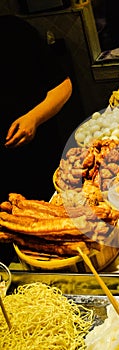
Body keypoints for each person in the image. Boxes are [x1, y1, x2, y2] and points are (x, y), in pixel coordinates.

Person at [0, 14, 72, 265]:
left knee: (59, 241)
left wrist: (33, 119)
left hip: (39, 163)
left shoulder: (13, 31)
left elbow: (63, 86)